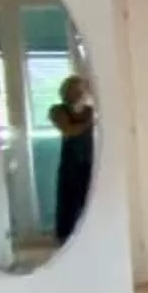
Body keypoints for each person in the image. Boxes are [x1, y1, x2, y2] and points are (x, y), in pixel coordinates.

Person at [47, 73, 97, 244]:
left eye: (81, 90)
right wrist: (90, 121)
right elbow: (69, 130)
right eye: (75, 89)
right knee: (68, 202)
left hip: (90, 162)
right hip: (71, 164)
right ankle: (64, 239)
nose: (79, 93)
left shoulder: (90, 111)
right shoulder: (58, 110)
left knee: (89, 201)